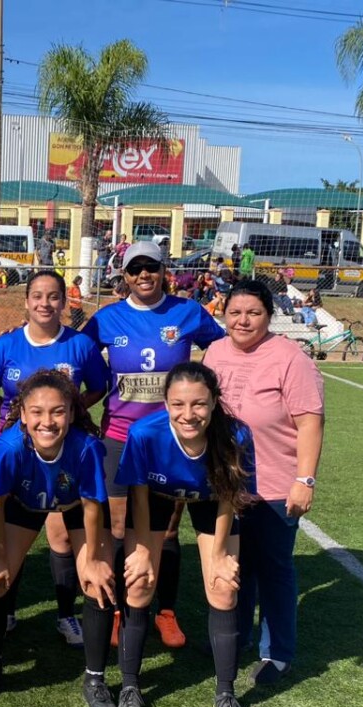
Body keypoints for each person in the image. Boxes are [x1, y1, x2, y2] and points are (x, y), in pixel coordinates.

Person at [81, 241, 225, 667]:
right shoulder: (106, 318)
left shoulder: (188, 312)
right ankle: (119, 608)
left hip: (172, 439)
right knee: (119, 525)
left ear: (165, 271)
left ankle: (165, 610)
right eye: (134, 269)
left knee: (166, 529)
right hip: (120, 436)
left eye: (151, 267)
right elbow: (78, 354)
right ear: (123, 275)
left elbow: (223, 349)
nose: (143, 275)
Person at [115, 362, 255, 707]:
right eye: (178, 404)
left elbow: (228, 497)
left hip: (212, 501)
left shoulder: (236, 435)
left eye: (199, 404)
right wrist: (143, 552)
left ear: (214, 402)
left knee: (223, 587)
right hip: (155, 497)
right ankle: (130, 687)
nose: (188, 414)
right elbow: (139, 494)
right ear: (165, 403)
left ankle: (226, 693)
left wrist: (220, 554)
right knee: (139, 583)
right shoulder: (144, 433)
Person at [0, 270, 109, 644]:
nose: (45, 303)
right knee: (12, 533)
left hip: (65, 452)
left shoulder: (80, 345)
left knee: (61, 536)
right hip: (21, 455)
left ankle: (66, 615)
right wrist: (16, 421)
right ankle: (7, 610)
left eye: (53, 296)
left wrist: (68, 419)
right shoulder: (5, 346)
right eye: (37, 295)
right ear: (26, 301)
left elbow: (98, 387)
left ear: (64, 301)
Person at [204, 279, 324, 688]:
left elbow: (310, 422)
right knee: (234, 565)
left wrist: (304, 479)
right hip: (226, 485)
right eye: (235, 312)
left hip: (274, 485)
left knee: (273, 569)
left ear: (269, 316)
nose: (243, 320)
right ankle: (234, 639)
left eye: (253, 313)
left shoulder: (290, 358)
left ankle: (277, 653)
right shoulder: (215, 352)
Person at [0, 371, 115, 705]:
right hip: (23, 505)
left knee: (98, 580)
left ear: (72, 413)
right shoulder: (8, 447)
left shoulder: (86, 447)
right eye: (37, 412)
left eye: (57, 411)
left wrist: (94, 559)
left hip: (76, 506)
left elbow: (93, 505)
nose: (47, 421)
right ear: (23, 414)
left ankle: (95, 679)